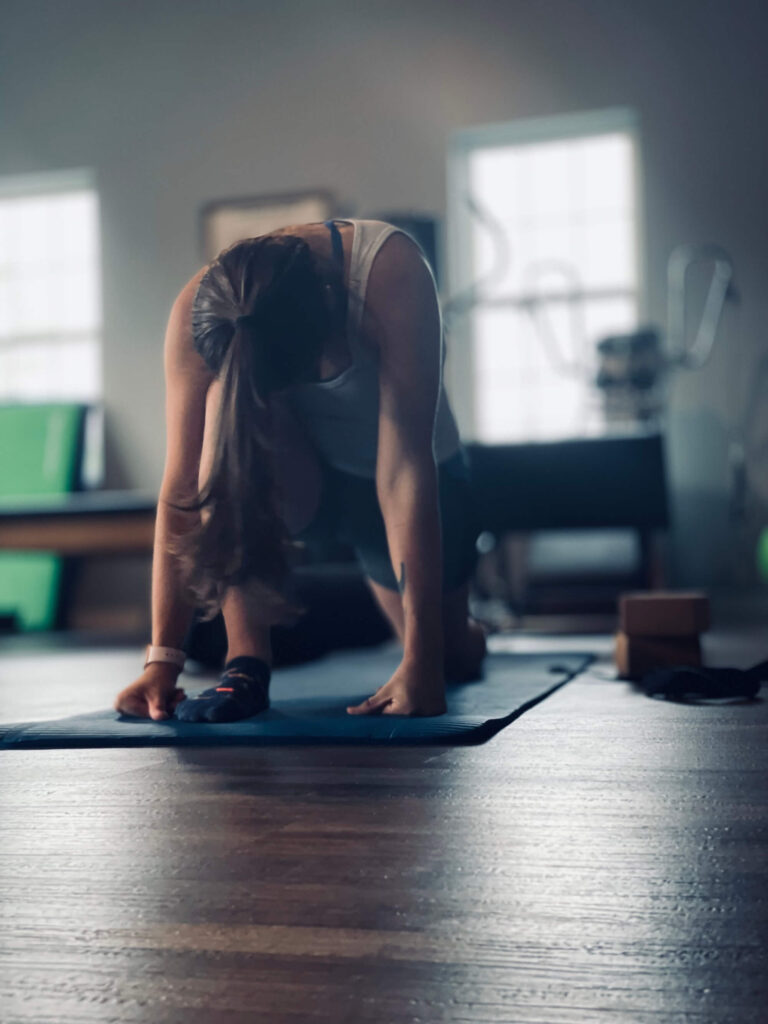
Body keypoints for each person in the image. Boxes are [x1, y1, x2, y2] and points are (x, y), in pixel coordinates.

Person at [114, 219, 487, 723]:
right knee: (226, 410)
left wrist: (421, 662)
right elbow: (182, 488)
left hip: (410, 474)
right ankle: (245, 662)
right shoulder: (202, 313)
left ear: (332, 309)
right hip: (302, 475)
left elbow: (404, 468)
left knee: (451, 658)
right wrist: (162, 660)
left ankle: (468, 633)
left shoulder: (389, 270)